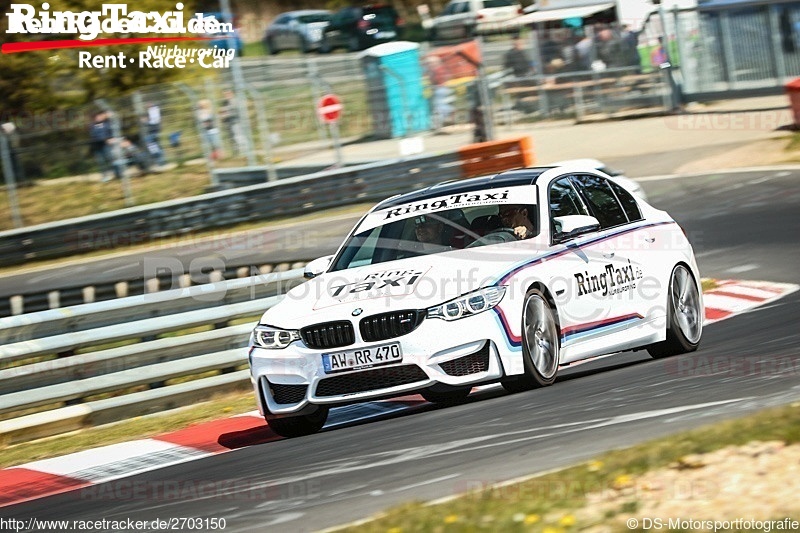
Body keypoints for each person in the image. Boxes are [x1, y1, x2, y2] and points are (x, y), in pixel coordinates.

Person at [89, 111, 122, 182]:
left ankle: (118, 174)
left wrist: (112, 116)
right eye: (97, 117)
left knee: (111, 159)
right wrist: (105, 139)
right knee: (101, 162)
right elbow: (94, 135)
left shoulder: (107, 123)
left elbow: (115, 128)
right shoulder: (92, 125)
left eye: (100, 116)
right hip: (97, 146)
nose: (98, 118)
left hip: (106, 145)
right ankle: (105, 176)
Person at [219, 89, 245, 156]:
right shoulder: (225, 102)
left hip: (236, 122)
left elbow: (236, 112)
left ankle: (243, 152)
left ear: (232, 94)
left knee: (239, 137)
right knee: (232, 138)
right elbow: (223, 112)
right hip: (229, 123)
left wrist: (226, 113)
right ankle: (236, 153)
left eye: (228, 94)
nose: (226, 96)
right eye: (225, 94)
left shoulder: (236, 101)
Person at [143, 102, 166, 167]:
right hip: (155, 129)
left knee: (151, 144)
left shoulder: (153, 110)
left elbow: (154, 121)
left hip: (153, 129)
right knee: (156, 144)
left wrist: (145, 122)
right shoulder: (155, 109)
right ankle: (161, 161)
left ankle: (160, 161)